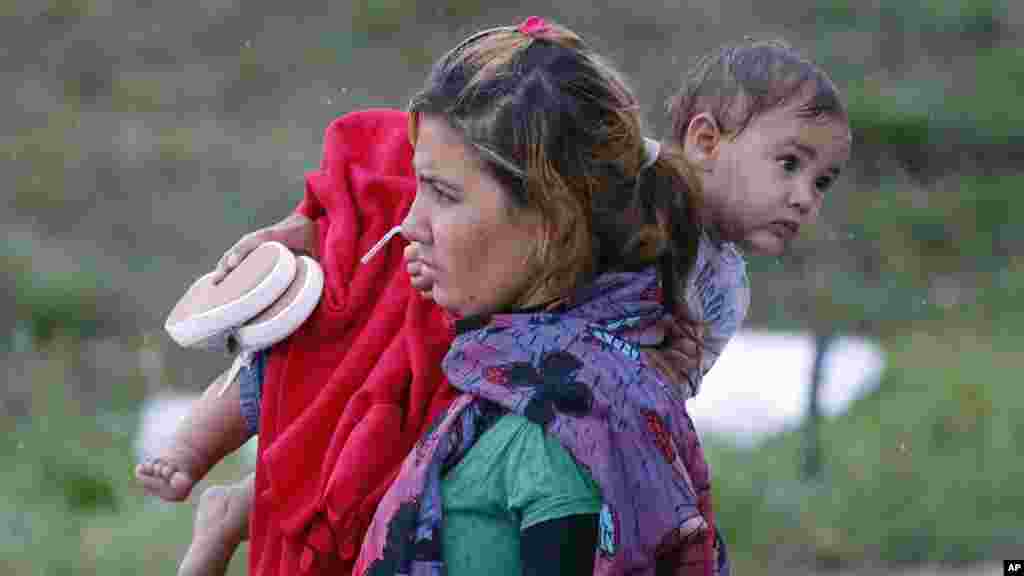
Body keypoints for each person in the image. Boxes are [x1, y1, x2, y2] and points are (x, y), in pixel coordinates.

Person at [136, 21, 850, 576]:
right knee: (331, 327)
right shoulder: (625, 179)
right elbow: (409, 160)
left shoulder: (558, 444)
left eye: (822, 182)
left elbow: (667, 386)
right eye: (789, 165)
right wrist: (310, 223)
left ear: (551, 217)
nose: (802, 197)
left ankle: (236, 501)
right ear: (705, 138)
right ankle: (220, 476)